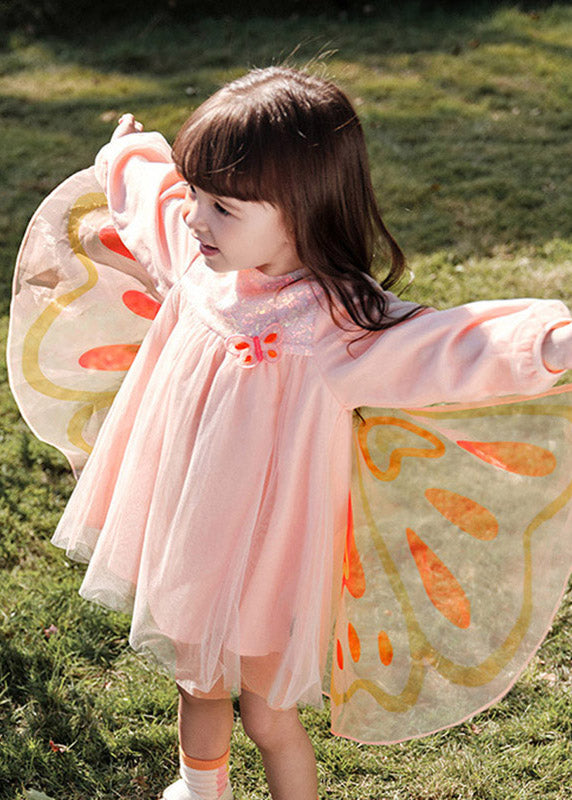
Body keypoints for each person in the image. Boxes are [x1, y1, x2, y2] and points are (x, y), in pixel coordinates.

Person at [19, 67, 572, 800]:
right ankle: (200, 789)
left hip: (273, 552)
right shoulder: (201, 262)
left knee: (268, 712)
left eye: (222, 206)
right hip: (190, 523)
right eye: (197, 194)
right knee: (197, 679)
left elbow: (446, 345)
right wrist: (129, 156)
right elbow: (154, 203)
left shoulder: (338, 324)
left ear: (301, 211)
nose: (196, 218)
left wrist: (546, 342)